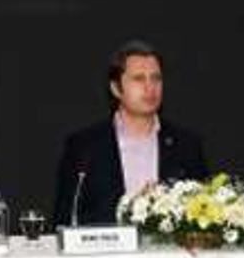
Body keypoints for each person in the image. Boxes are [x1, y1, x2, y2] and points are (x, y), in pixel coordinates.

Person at [54, 40, 209, 226]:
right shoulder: (85, 146)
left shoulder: (187, 145)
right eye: (139, 79)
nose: (150, 88)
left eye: (156, 78)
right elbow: (65, 218)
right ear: (116, 88)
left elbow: (203, 215)